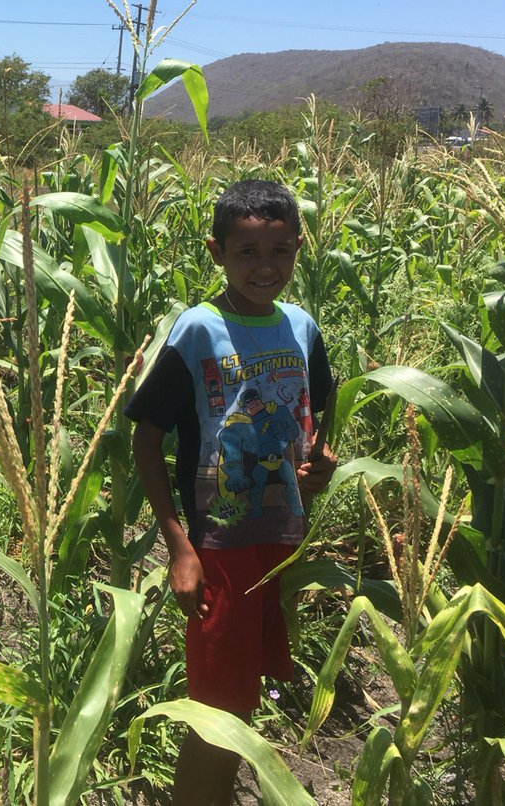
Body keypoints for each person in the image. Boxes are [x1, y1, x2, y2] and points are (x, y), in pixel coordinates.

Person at [125, 179, 338, 806]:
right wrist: (179, 548)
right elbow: (146, 439)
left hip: (280, 540)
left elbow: (315, 418)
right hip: (216, 546)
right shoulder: (198, 330)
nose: (264, 268)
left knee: (243, 694)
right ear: (217, 253)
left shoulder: (301, 327)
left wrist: (320, 463)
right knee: (215, 707)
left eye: (279, 251)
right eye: (247, 252)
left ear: (299, 249)